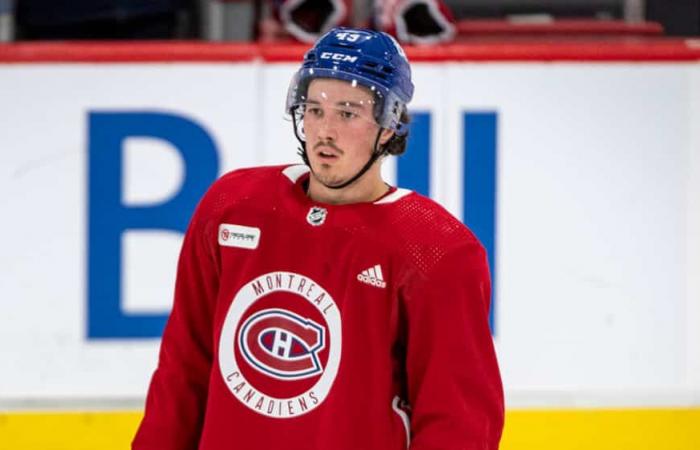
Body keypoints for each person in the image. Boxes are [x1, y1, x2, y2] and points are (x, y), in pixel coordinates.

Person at [133, 26, 503, 450]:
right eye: (314, 109)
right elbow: (184, 366)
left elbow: (459, 420)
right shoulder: (232, 207)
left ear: (388, 126)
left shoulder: (435, 250)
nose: (325, 130)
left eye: (348, 113)